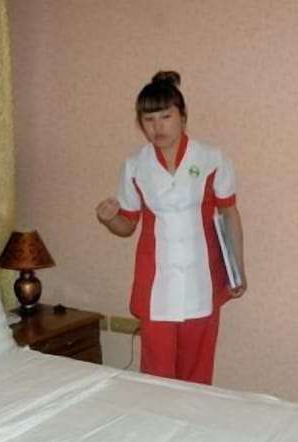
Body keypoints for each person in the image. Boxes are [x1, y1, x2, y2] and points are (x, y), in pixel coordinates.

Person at [95, 70, 246, 385]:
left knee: (197, 374)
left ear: (183, 116)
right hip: (156, 284)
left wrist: (237, 270)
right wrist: (110, 217)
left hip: (202, 279)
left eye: (165, 116)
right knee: (157, 378)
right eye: (149, 119)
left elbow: (229, 213)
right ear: (141, 123)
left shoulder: (211, 158)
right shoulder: (135, 165)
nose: (158, 127)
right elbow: (127, 226)